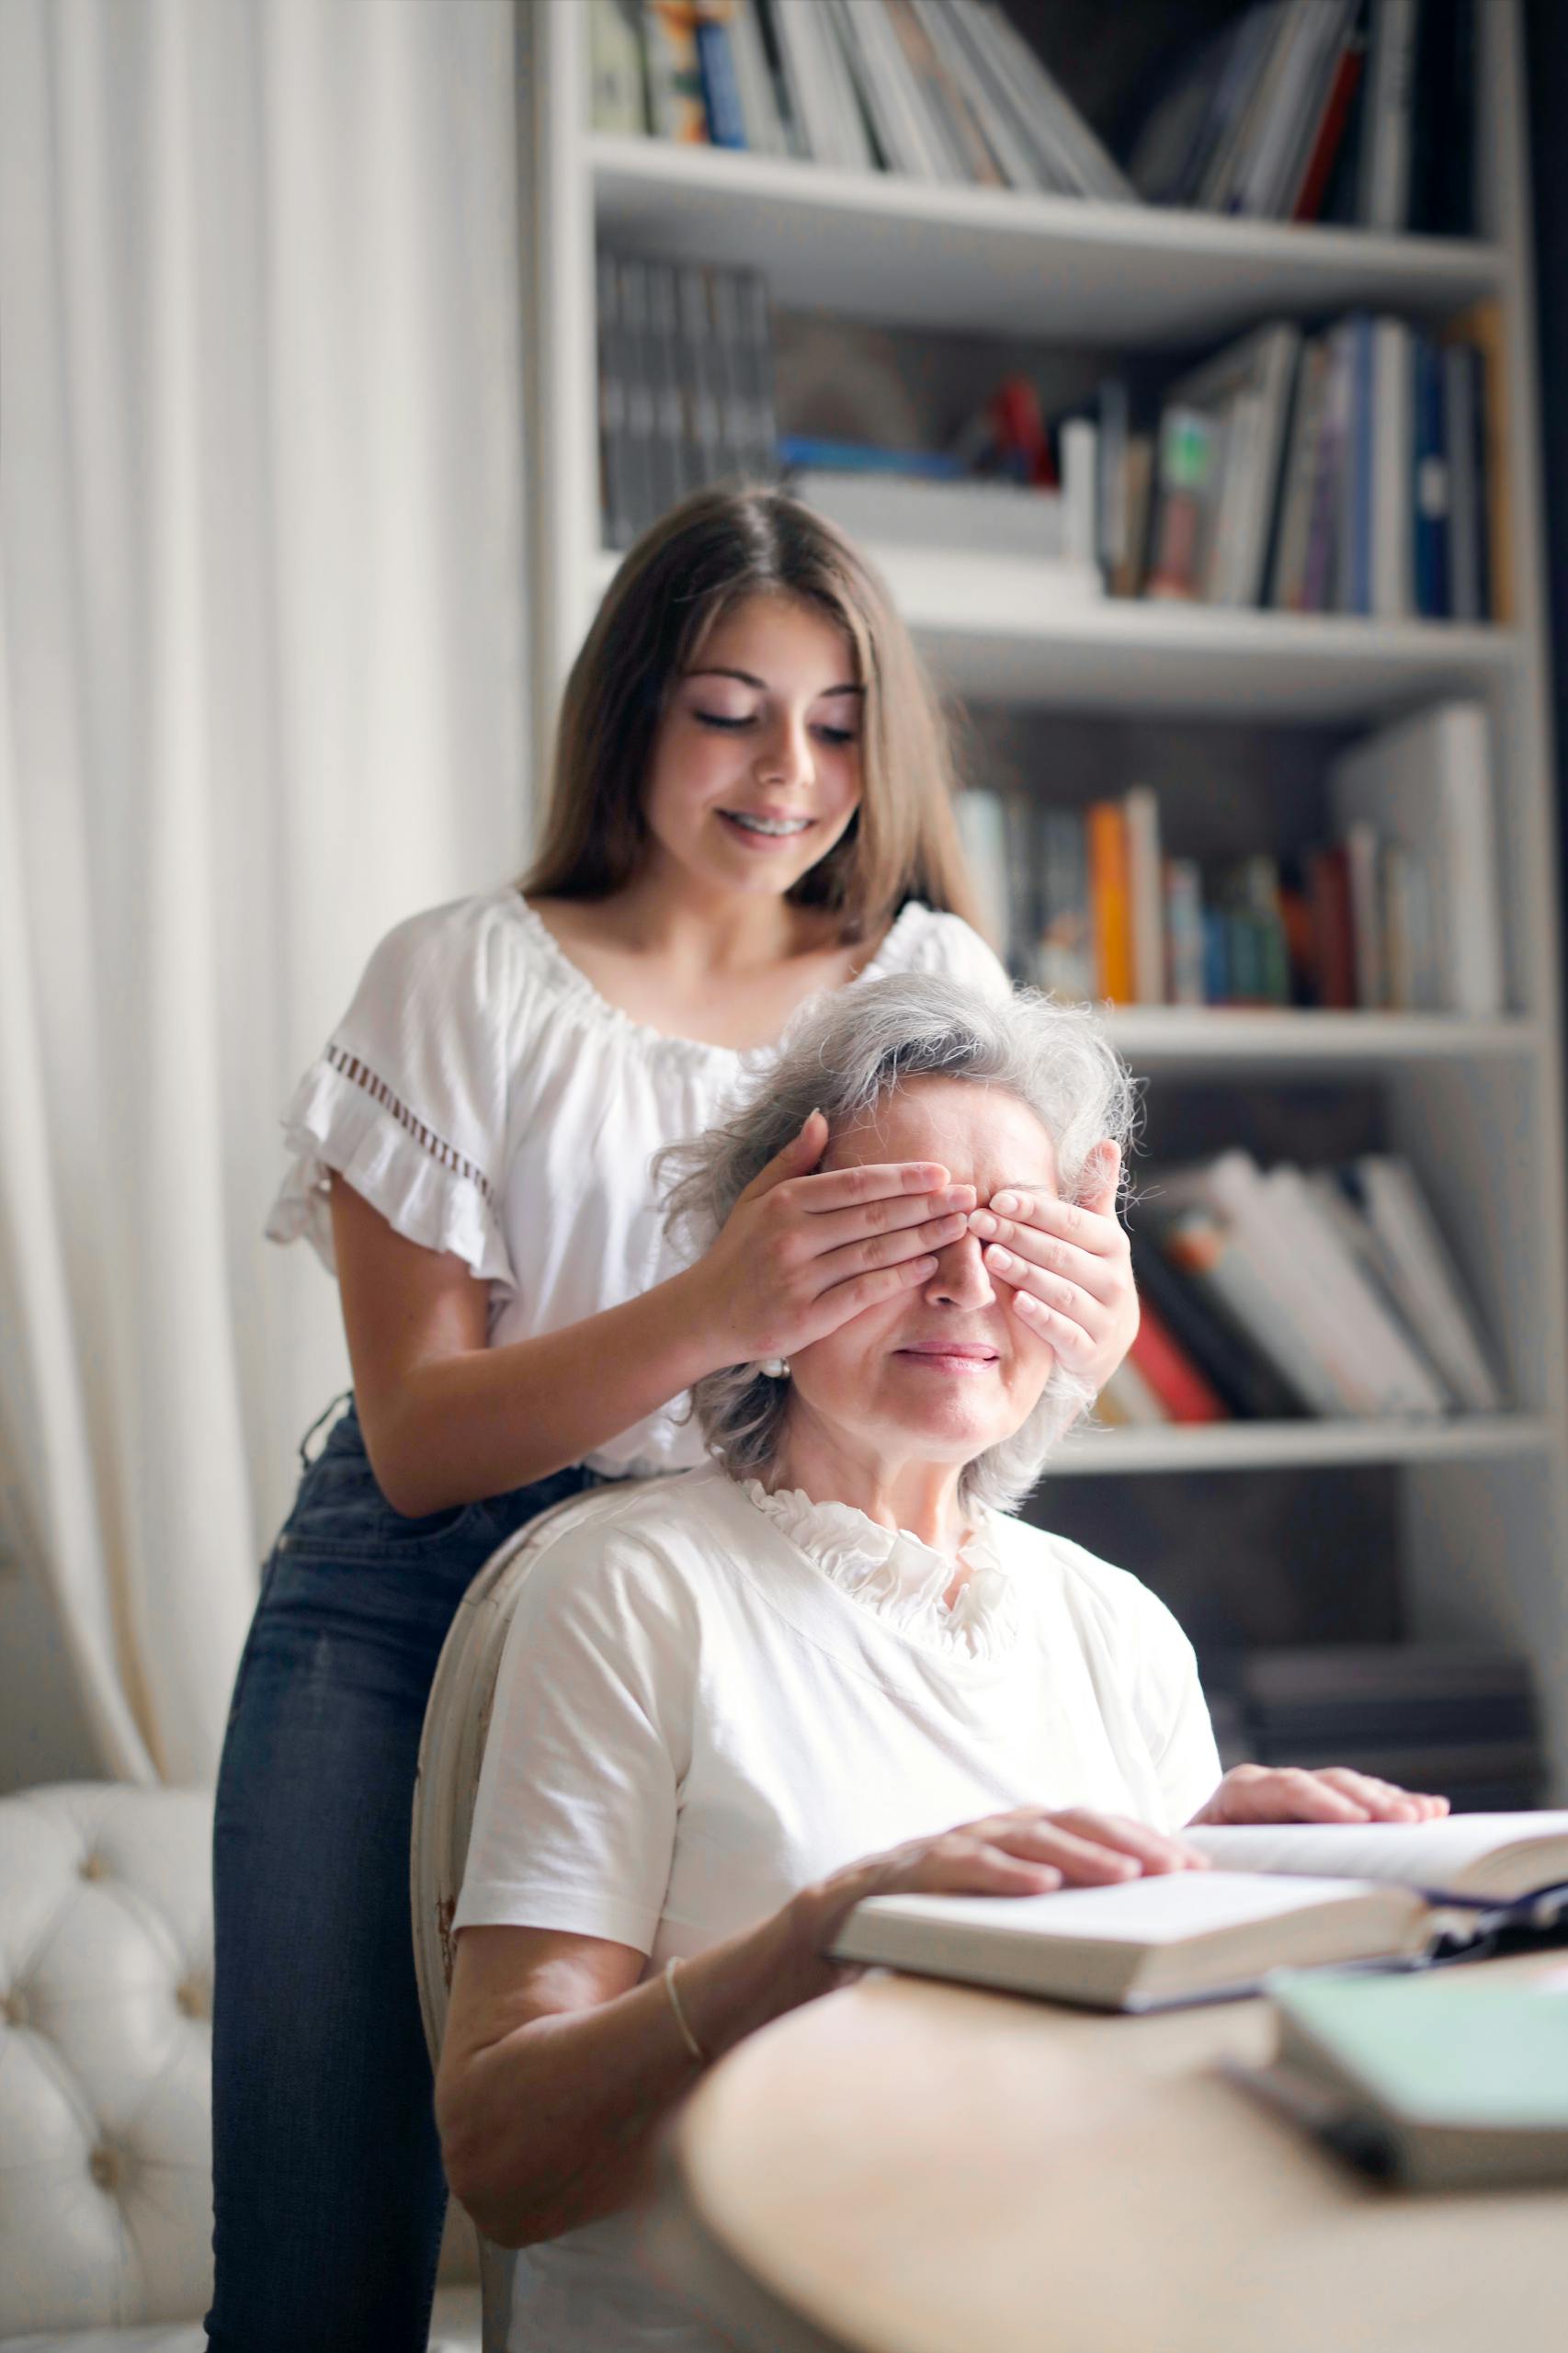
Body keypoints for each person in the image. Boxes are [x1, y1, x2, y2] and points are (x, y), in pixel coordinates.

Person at [207, 486, 1145, 2353]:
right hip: (411, 1587)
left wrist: (1084, 1334)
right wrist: (719, 1304)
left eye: (836, 719)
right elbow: (417, 1437)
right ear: (627, 710)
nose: (786, 768)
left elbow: (968, 1387)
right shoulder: (458, 973)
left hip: (763, 1577)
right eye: (725, 707)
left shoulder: (925, 979)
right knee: (322, 2233)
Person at [437, 972, 1449, 2353]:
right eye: (902, 1227)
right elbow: (503, 2160)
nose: (968, 1284)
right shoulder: (629, 1590)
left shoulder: (1116, 1624)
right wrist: (828, 1933)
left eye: (1016, 1236)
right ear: (772, 1258)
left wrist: (1230, 1891)